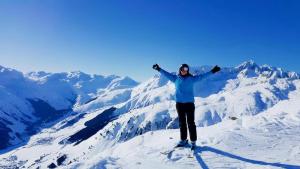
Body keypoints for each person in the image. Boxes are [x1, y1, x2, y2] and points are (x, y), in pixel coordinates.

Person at [152, 63, 221, 150]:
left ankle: (193, 142)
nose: (185, 71)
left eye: (187, 69)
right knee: (182, 123)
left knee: (191, 123)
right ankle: (183, 140)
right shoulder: (176, 78)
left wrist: (212, 71)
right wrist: (159, 69)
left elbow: (203, 76)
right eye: (184, 69)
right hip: (179, 104)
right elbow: (167, 74)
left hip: (189, 104)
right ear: (180, 70)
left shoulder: (191, 79)